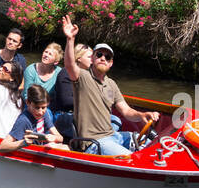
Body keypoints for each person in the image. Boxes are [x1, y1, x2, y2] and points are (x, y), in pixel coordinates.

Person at [61, 14, 158, 156]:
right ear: (92, 59)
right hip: (95, 142)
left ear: (111, 63)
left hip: (114, 136)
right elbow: (69, 65)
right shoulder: (83, 77)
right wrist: (70, 39)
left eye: (107, 57)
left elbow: (126, 112)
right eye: (99, 54)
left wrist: (142, 114)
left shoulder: (111, 84)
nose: (103, 58)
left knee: (153, 144)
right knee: (129, 158)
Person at [0, 85, 67, 154]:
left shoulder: (44, 114)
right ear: (28, 102)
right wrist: (24, 142)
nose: (40, 112)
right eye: (37, 107)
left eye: (43, 107)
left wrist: (54, 138)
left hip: (40, 152)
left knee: (65, 147)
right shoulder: (23, 120)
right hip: (29, 155)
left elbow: (60, 138)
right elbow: (2, 146)